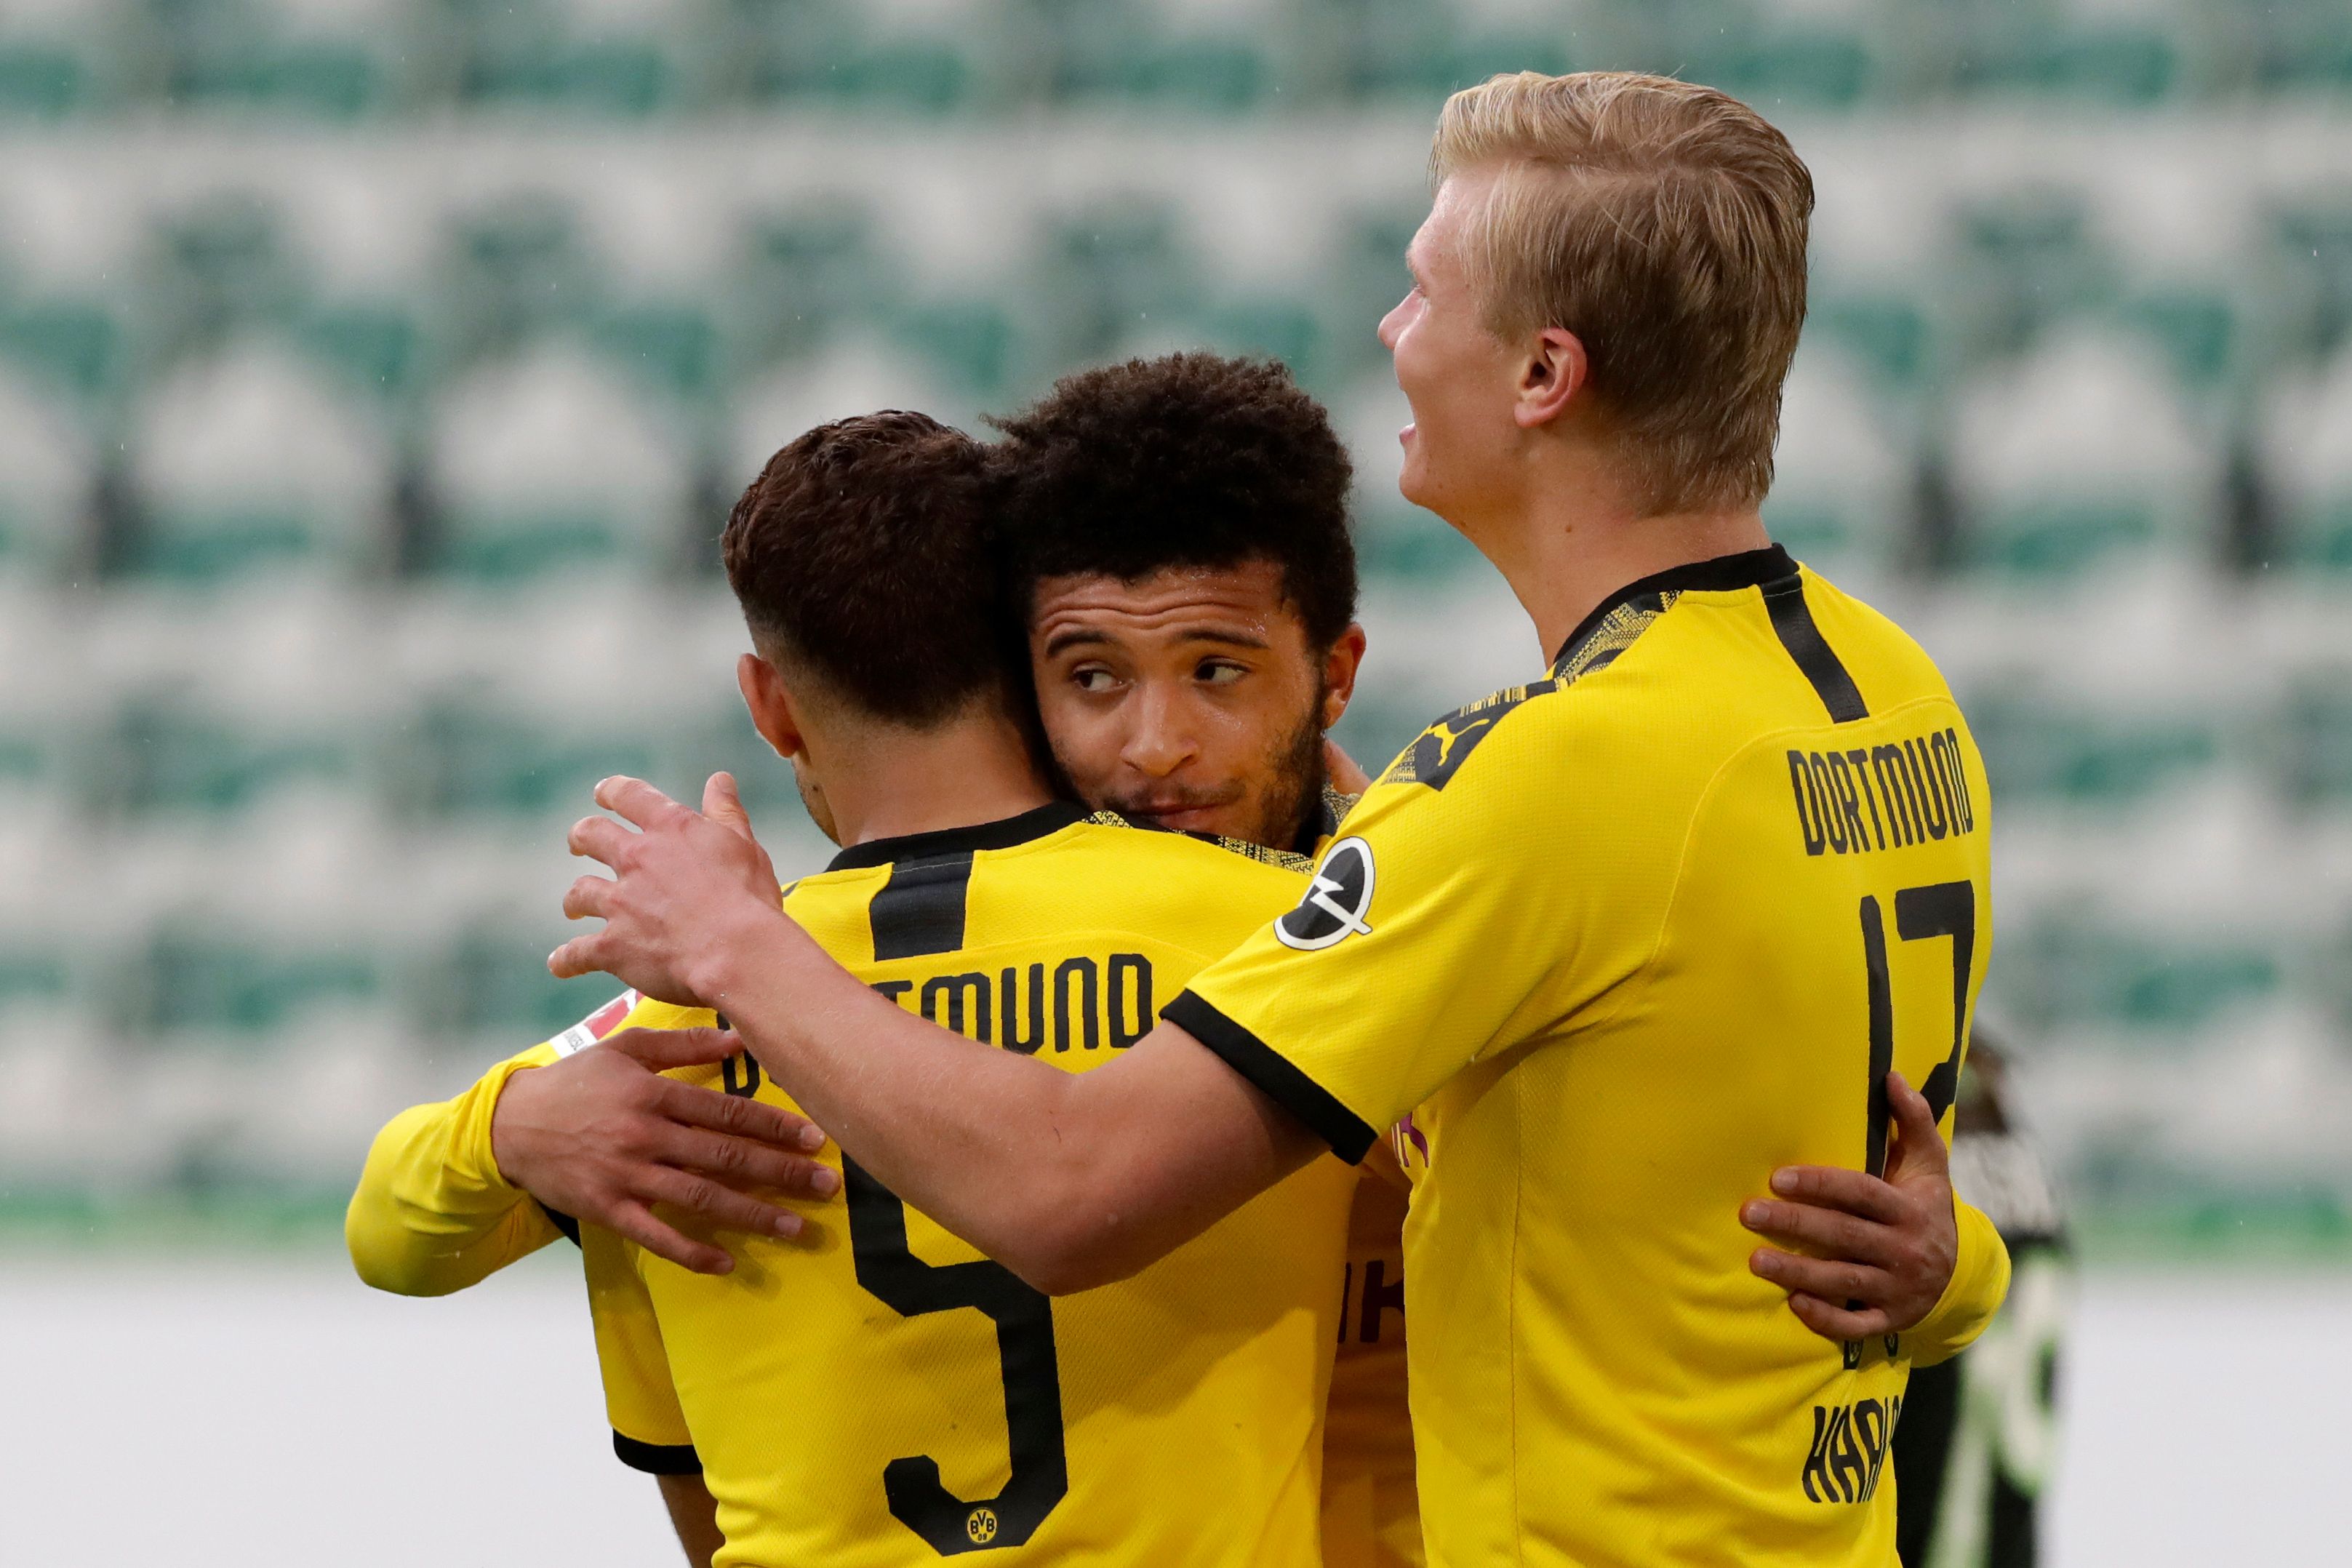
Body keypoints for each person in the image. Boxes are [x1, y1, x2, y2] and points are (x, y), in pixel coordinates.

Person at [549, 71, 2010, 1568]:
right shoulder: (1893, 695)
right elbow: (1864, 1193)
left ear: (1542, 375)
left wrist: (742, 944)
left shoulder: (1551, 778)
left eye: (1424, 289)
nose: (1393, 331)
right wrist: (1960, 1268)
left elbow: (1065, 1191)